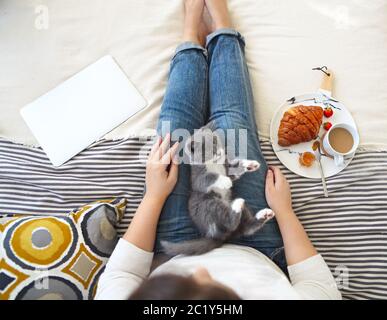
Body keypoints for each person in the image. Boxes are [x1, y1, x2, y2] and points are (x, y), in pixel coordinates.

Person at [95, 0, 341, 300]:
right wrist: (285, 212)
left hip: (176, 244)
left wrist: (154, 196)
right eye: (209, 283)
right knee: (232, 125)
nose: (201, 270)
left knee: (174, 133)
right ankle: (223, 30)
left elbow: (123, 274)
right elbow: (318, 287)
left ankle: (191, 35)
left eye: (194, 279)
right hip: (252, 237)